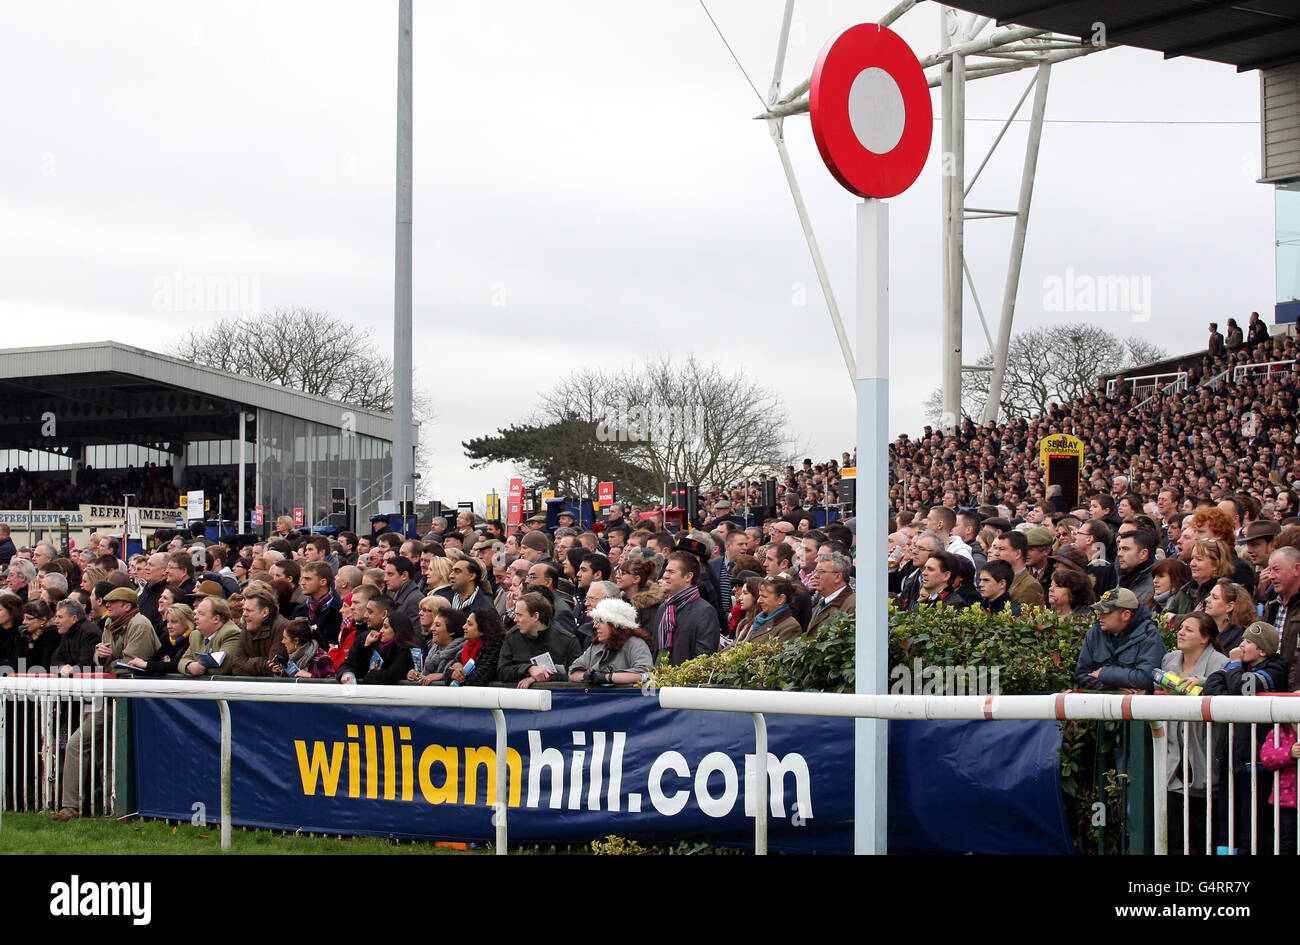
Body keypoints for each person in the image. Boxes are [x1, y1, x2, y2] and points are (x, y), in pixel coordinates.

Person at [52, 587, 158, 822]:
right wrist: (100, 655)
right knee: (101, 751)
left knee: (78, 745)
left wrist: (105, 659)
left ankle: (79, 805)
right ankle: (109, 808)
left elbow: (129, 665)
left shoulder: (139, 625)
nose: (107, 605)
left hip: (129, 699)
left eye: (114, 602)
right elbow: (100, 661)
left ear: (128, 606)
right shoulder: (111, 624)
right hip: (109, 697)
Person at [1204, 621, 1291, 854]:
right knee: (1226, 823)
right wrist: (1233, 675)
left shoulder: (1275, 669)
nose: (1241, 646)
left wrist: (1233, 665)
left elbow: (1243, 689)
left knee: (1252, 826)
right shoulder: (1242, 668)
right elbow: (1213, 684)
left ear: (1262, 650)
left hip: (1257, 763)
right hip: (1232, 759)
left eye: (1248, 642)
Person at [1161, 611, 1229, 855]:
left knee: (1204, 836)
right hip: (1173, 755)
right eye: (1181, 627)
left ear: (1206, 638)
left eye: (1189, 629)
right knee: (1174, 835)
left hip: (1204, 753)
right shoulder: (1169, 659)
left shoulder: (1220, 662)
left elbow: (1223, 686)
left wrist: (1199, 681)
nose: (1180, 632)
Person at [1073, 588, 1166, 692]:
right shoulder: (1095, 632)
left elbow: (1148, 678)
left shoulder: (1149, 634)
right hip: (1100, 702)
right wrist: (1114, 685)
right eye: (1099, 611)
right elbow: (1081, 675)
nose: (1100, 616)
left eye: (1106, 612)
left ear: (1126, 615)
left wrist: (1105, 673)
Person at [499, 592, 582, 688]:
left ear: (535, 616)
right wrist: (528, 669)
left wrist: (537, 678)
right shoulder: (512, 637)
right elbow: (502, 671)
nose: (515, 620)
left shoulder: (567, 641)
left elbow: (574, 674)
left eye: (519, 615)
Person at [653, 550, 720, 666]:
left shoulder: (705, 611)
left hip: (682, 682)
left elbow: (704, 658)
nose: (665, 575)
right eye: (665, 571)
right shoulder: (663, 608)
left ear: (688, 577)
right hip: (656, 681)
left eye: (671, 572)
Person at [568, 598, 654, 685]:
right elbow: (573, 672)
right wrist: (588, 676)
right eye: (597, 621)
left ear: (615, 624)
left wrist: (608, 677)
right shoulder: (597, 645)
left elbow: (646, 674)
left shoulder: (636, 644)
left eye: (602, 621)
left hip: (625, 698)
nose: (596, 626)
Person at [1259, 722, 1299, 856]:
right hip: (1286, 799)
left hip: (1288, 796)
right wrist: (1290, 753)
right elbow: (1266, 757)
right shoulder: (1279, 731)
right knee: (1287, 841)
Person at [125, 602, 197, 676]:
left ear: (186, 624)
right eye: (168, 622)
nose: (168, 626)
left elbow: (178, 665)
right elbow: (155, 660)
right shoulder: (167, 639)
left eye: (174, 622)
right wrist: (139, 665)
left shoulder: (193, 639)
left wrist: (147, 665)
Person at [177, 596, 241, 677]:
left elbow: (222, 668)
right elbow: (182, 662)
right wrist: (189, 666)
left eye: (201, 614)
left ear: (216, 619)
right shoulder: (195, 635)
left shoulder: (231, 633)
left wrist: (198, 669)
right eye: (196, 613)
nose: (195, 617)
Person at [1168, 539, 1233, 615]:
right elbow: (1163, 619)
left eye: (1199, 559)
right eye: (1192, 558)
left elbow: (1204, 622)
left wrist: (1174, 618)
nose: (1192, 564)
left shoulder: (1221, 592)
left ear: (1216, 564)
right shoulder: (1186, 589)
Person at [357, 610, 422, 685]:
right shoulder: (381, 647)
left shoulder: (406, 651)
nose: (381, 631)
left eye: (385, 627)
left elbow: (390, 676)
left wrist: (373, 673)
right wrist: (367, 644)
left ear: (397, 630)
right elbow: (360, 672)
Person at [735, 576, 801, 646]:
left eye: (764, 597)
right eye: (759, 596)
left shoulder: (790, 627)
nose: (759, 601)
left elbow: (778, 655)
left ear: (781, 599)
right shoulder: (758, 621)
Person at [446, 609, 505, 687]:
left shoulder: (494, 648)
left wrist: (460, 672)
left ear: (483, 628)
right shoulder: (465, 648)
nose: (464, 627)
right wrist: (453, 674)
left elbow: (479, 678)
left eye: (470, 624)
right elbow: (447, 671)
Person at [409, 607, 466, 684]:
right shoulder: (433, 650)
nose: (432, 628)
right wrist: (417, 675)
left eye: (437, 625)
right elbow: (427, 677)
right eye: (433, 624)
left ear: (451, 631)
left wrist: (443, 676)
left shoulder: (463, 653)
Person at [49, 599, 102, 674]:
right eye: (56, 617)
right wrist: (62, 667)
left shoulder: (90, 633)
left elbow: (87, 666)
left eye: (60, 617)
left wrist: (71, 670)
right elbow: (55, 660)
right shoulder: (67, 632)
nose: (56, 621)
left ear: (74, 618)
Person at [271, 618, 337, 679]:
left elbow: (331, 682)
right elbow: (293, 682)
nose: (282, 642)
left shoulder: (321, 658)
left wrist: (310, 676)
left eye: (285, 638)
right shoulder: (294, 657)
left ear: (296, 641)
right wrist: (280, 672)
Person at [807, 552, 855, 634]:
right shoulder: (823, 602)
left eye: (821, 572)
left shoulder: (853, 605)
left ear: (838, 577)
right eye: (815, 571)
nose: (815, 576)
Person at [1203, 579, 1254, 653]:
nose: (1207, 599)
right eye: (1209, 595)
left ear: (1230, 607)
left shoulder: (1242, 638)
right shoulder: (1205, 629)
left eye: (1215, 597)